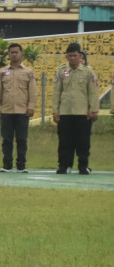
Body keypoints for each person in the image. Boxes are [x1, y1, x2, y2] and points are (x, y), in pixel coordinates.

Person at [53, 42, 99, 174]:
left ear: (80, 56)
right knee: (64, 142)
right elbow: (56, 92)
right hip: (65, 113)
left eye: (75, 55)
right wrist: (55, 111)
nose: (72, 58)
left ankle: (83, 166)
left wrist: (93, 110)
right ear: (66, 57)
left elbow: (93, 92)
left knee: (83, 142)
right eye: (70, 56)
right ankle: (64, 166)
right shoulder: (61, 71)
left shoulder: (88, 71)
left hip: (82, 113)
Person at [0, 42, 36, 172]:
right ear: (9, 54)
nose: (14, 54)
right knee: (7, 139)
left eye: (16, 52)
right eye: (12, 52)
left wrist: (31, 106)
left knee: (22, 139)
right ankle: (7, 165)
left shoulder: (28, 72)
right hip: (6, 111)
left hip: (22, 111)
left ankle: (21, 165)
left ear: (21, 53)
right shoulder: (3, 72)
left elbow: (33, 91)